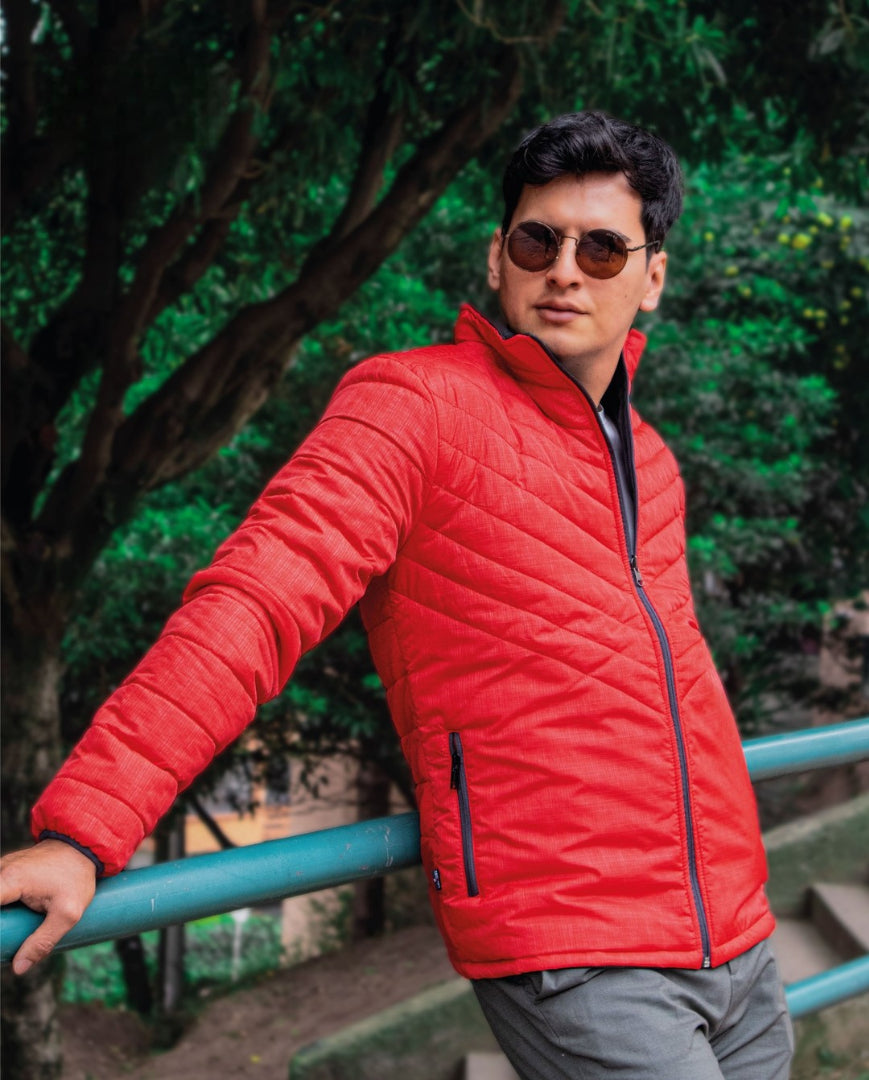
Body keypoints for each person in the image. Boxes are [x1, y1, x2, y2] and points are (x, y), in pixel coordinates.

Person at [1, 111, 793, 1079]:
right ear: (496, 259)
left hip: (735, 937)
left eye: (599, 249)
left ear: (651, 278)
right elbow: (254, 602)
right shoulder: (410, 406)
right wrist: (84, 831)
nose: (563, 272)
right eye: (536, 241)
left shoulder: (652, 462)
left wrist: (740, 893)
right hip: (580, 949)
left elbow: (673, 682)